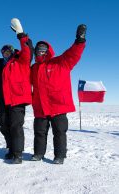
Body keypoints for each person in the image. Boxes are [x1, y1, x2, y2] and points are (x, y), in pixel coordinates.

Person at [30, 24, 87, 164]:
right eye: (38, 50)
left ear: (48, 51)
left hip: (58, 105)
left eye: (43, 50)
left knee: (60, 133)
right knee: (39, 132)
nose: (40, 52)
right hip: (40, 106)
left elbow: (73, 53)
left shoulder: (61, 62)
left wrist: (79, 41)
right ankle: (38, 153)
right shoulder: (33, 68)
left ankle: (59, 156)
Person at [0, 18, 33, 164]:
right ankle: (11, 148)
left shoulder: (21, 60)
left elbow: (27, 50)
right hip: (3, 101)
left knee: (16, 126)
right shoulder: (1, 65)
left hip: (17, 99)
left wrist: (21, 34)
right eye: (3, 52)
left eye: (8, 51)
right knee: (4, 126)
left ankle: (17, 154)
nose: (5, 53)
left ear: (12, 51)